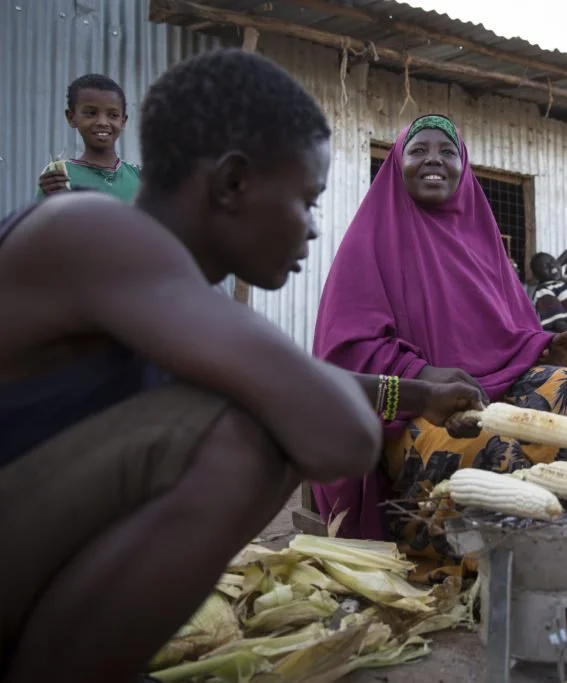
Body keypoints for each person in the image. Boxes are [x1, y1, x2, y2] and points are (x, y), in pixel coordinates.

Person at [0, 51, 484, 683]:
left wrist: (416, 395)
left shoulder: (150, 285)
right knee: (246, 436)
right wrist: (385, 398)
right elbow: (336, 432)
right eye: (306, 201)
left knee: (246, 404)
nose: (313, 229)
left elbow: (284, 380)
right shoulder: (94, 232)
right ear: (232, 184)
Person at [311, 114, 567, 579]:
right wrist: (423, 378)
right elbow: (344, 355)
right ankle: (495, 554)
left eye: (447, 152)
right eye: (418, 150)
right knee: (492, 446)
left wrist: (546, 351)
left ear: (463, 167)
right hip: (411, 416)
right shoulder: (368, 244)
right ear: (396, 165)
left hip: (492, 398)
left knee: (565, 389)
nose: (433, 161)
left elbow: (505, 335)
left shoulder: (482, 245)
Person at [36, 74, 142, 203]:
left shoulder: (140, 177)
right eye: (91, 113)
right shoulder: (59, 176)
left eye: (113, 115)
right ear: (71, 118)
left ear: (123, 121)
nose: (102, 122)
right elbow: (42, 221)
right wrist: (51, 202)